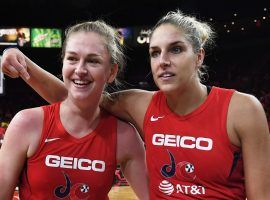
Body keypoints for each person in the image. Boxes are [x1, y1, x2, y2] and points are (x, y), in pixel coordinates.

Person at [2, 10, 270, 199]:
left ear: (199, 56)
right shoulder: (140, 104)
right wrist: (22, 62)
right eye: (155, 52)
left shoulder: (243, 109)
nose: (163, 60)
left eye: (176, 49)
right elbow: (77, 98)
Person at [0, 20, 149, 199]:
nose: (80, 70)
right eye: (72, 58)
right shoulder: (26, 124)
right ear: (63, 64)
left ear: (111, 72)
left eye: (93, 61)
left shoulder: (125, 137)